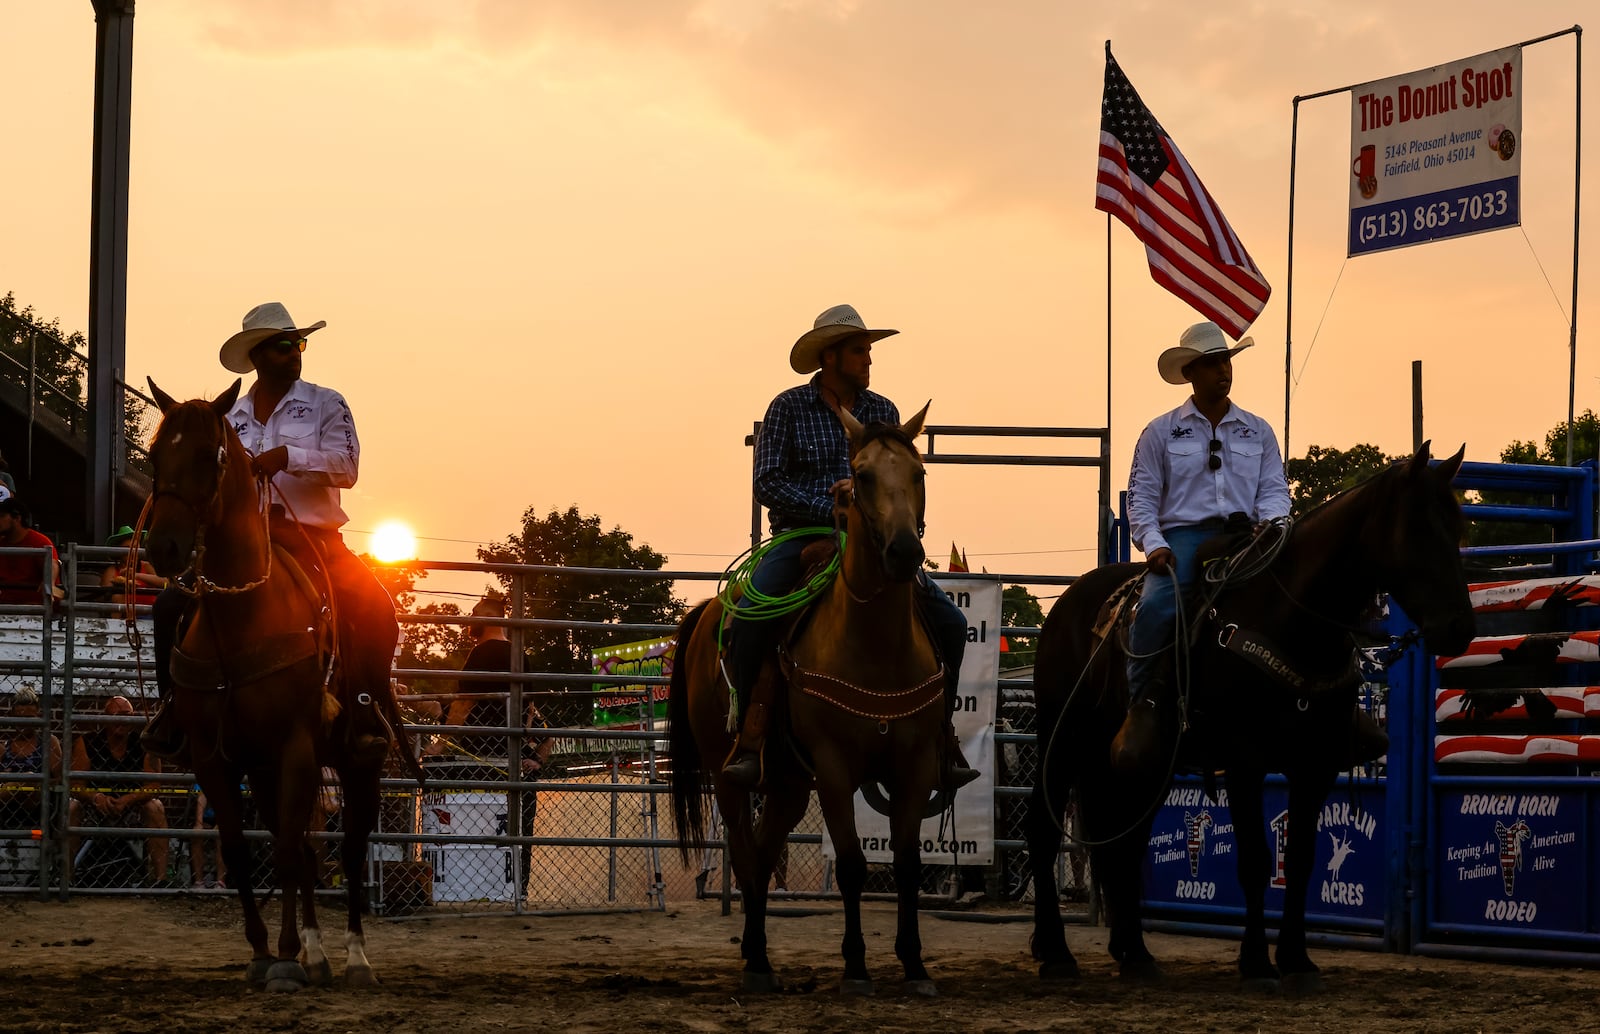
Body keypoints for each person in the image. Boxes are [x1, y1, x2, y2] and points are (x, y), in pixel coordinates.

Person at [722, 304, 977, 791]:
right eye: (860, 351)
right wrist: (830, 506)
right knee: (751, 614)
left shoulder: (883, 412)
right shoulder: (788, 408)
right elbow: (768, 482)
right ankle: (751, 736)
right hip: (801, 537)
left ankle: (942, 735)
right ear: (831, 357)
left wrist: (869, 513)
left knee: (951, 623)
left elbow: (896, 480)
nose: (869, 360)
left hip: (874, 544)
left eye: (869, 352)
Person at [1112, 321, 1384, 772]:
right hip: (1184, 538)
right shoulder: (1161, 432)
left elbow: (1276, 490)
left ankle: (1338, 705)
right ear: (1192, 373)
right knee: (1159, 606)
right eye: (1213, 363)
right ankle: (1142, 710)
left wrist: (1275, 525)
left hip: (1249, 536)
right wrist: (1155, 544)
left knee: (1305, 594)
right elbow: (1142, 496)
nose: (1224, 370)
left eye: (1227, 361)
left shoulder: (1257, 430)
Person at [144, 301, 399, 765]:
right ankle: (172, 710)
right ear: (257, 356)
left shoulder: (327, 402)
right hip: (242, 544)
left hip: (314, 541)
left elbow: (348, 468)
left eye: (298, 343)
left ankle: (365, 709)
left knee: (376, 609)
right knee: (167, 608)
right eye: (284, 345)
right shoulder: (229, 419)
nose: (295, 352)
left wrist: (289, 457)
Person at [68, 695, 169, 886]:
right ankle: (67, 878)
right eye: (116, 714)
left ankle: (161, 880)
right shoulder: (88, 742)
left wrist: (128, 799)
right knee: (72, 808)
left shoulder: (143, 743)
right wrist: (96, 797)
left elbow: (154, 786)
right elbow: (76, 785)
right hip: (94, 808)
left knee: (156, 807)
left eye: (127, 715)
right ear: (105, 717)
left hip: (133, 809)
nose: (122, 720)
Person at [0, 686, 63, 839]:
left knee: (30, 780)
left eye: (29, 718)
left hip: (38, 804)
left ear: (38, 716)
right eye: (20, 718)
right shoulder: (3, 747)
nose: (24, 724)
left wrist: (35, 783)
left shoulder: (48, 743)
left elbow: (60, 779)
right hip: (7, 806)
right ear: (12, 716)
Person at [0, 490, 61, 605]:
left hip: (33, 611)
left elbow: (52, 564)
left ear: (17, 518)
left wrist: (49, 581)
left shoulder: (39, 541)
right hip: (4, 607)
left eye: (1, 516)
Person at [99, 526, 165, 605]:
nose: (133, 553)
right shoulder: (112, 570)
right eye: (127, 548)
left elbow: (165, 582)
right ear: (119, 551)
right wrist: (120, 587)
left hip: (148, 613)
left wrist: (136, 575)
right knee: (117, 597)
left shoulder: (146, 566)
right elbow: (104, 596)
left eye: (135, 548)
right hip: (125, 614)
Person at [188, 784, 226, 889]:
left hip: (227, 818)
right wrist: (199, 824)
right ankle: (199, 882)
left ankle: (220, 882)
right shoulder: (204, 777)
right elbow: (201, 794)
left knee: (221, 836)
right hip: (206, 818)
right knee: (197, 835)